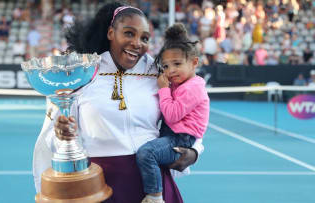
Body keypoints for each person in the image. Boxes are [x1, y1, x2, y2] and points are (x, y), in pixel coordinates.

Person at [33, 2, 204, 203]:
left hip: (152, 186)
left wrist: (194, 151)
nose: (137, 43)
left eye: (145, 38)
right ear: (111, 33)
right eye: (129, 33)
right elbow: (53, 134)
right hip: (99, 185)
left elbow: (190, 112)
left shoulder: (158, 72)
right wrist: (62, 133)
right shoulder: (82, 72)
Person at [136, 23, 209, 203]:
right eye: (166, 66)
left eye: (177, 64)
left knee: (147, 153)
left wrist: (163, 90)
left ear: (194, 62)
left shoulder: (193, 88)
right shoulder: (181, 83)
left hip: (181, 139)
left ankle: (155, 197)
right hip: (173, 135)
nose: (171, 71)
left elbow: (172, 115)